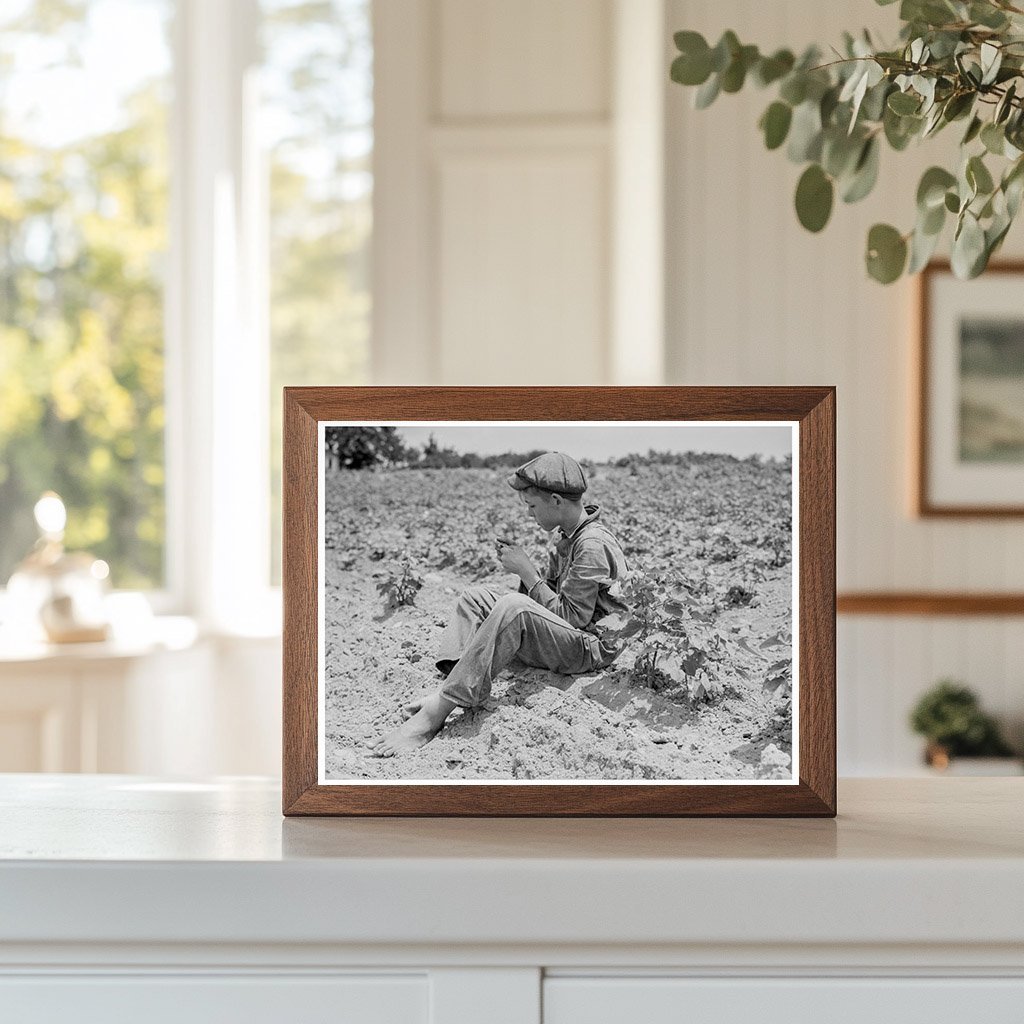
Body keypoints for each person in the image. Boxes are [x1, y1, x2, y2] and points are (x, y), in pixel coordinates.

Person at [372, 451, 629, 757]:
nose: (530, 514)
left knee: (512, 606)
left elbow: (572, 618)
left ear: (557, 502)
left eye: (532, 506)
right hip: (572, 636)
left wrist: (526, 572)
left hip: (592, 647)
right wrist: (527, 574)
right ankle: (455, 679)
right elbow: (550, 603)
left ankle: (437, 712)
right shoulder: (567, 536)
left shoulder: (592, 544)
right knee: (475, 598)